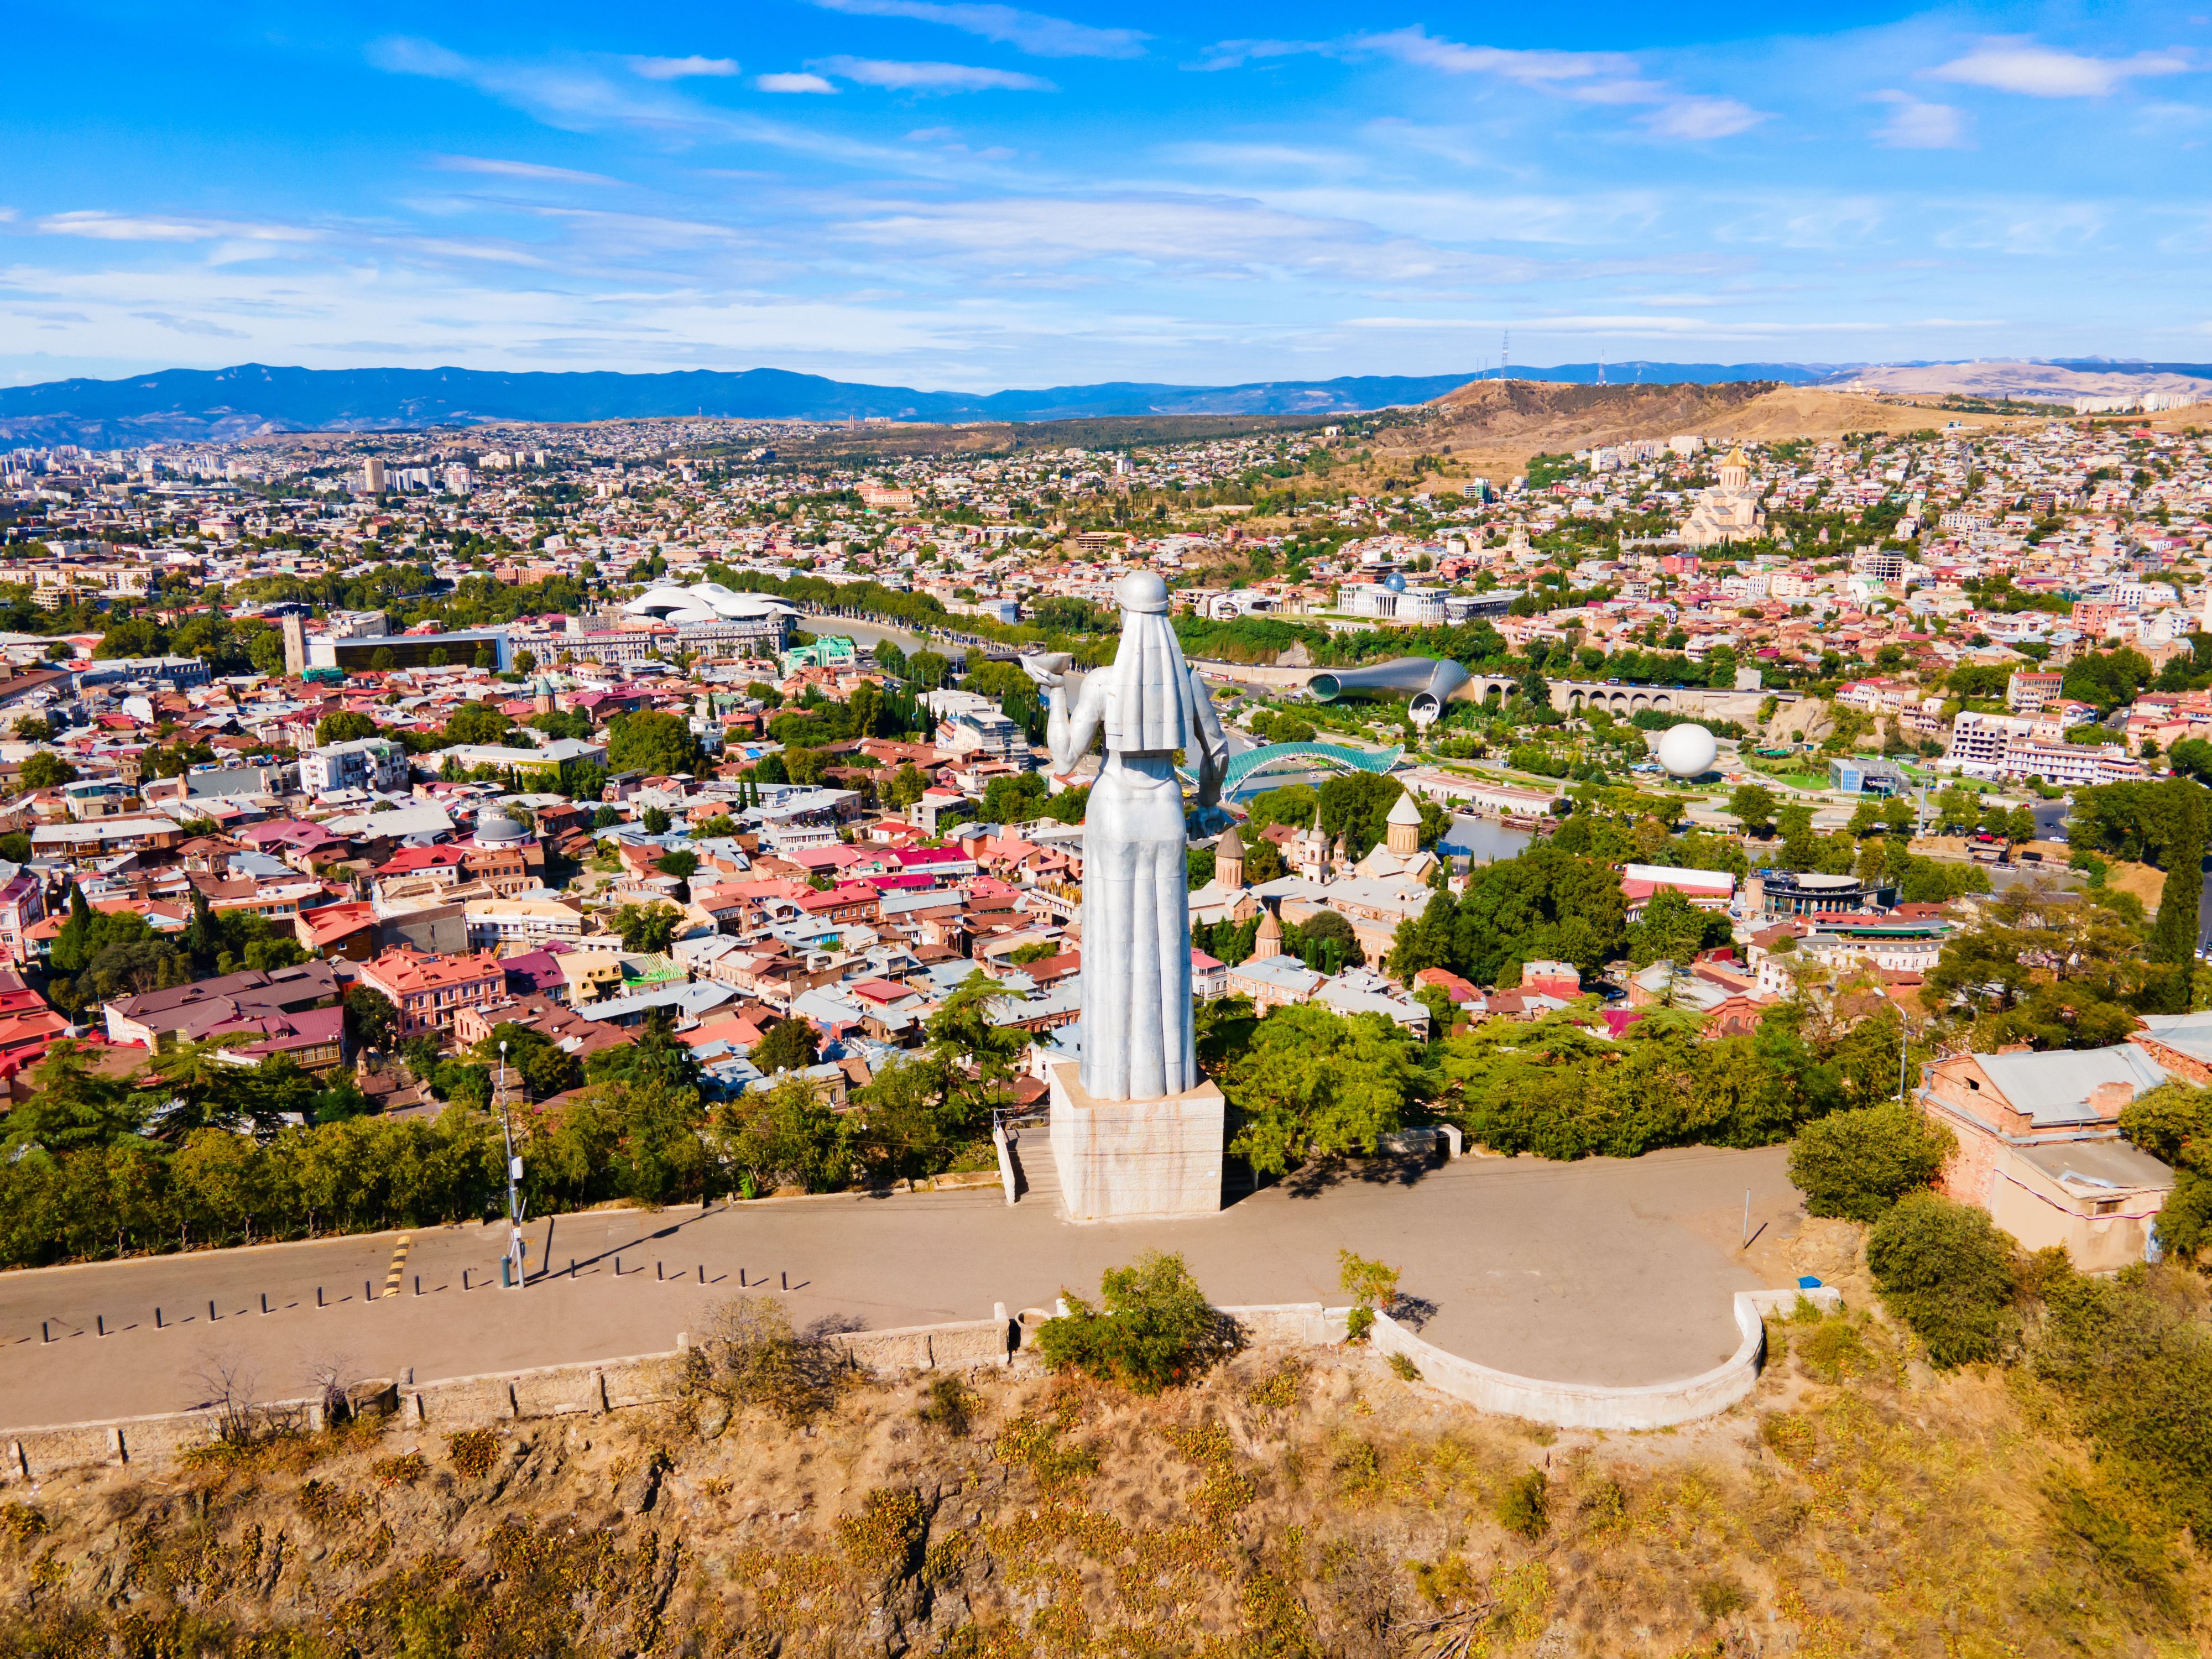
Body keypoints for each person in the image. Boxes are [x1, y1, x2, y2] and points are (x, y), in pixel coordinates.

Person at [1025, 572, 1229, 1101]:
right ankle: (1169, 1078)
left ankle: (1111, 1080)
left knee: (1114, 944)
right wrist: (1205, 807)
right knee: (1165, 940)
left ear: (1123, 618)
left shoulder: (1102, 681)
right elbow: (1219, 754)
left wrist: (1053, 695)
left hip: (1114, 809)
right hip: (1164, 808)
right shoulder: (1186, 680)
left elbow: (1066, 757)